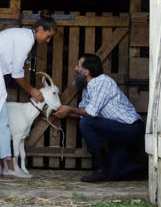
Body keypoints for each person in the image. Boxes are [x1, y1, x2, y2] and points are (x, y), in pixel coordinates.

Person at [0, 11, 57, 179]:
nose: (47, 41)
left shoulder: (22, 36)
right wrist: (32, 90)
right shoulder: (27, 40)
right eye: (48, 36)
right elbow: (17, 75)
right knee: (2, 120)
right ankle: (11, 167)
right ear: (40, 29)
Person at [54, 53, 145, 182]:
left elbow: (89, 113)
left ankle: (99, 169)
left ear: (86, 71)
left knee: (86, 122)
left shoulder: (103, 82)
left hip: (130, 129)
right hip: (118, 134)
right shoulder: (88, 88)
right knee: (113, 174)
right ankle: (143, 167)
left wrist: (70, 109)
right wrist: (62, 111)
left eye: (77, 66)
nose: (75, 69)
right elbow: (83, 112)